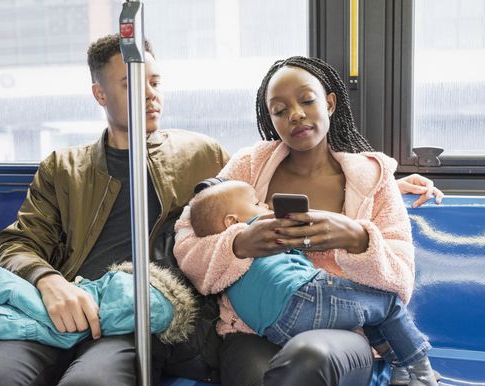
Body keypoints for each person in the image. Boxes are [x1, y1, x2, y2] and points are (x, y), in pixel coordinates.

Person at [0, 34, 229, 386]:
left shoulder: (202, 156)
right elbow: (17, 244)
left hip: (133, 318)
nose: (151, 94)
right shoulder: (63, 167)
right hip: (57, 309)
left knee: (91, 382)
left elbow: (234, 228)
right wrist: (50, 281)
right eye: (132, 83)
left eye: (155, 82)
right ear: (100, 94)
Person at [173, 56, 441, 386]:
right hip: (253, 329)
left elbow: (401, 280)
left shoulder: (373, 178)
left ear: (329, 103)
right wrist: (239, 244)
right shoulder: (248, 167)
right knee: (258, 375)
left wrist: (358, 239)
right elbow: (187, 237)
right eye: (280, 110)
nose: (295, 114)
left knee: (307, 359)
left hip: (341, 335)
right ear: (271, 119)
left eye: (306, 100)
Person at [188, 179, 436, 385]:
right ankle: (421, 372)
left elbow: (400, 275)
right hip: (304, 298)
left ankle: (399, 365)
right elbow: (187, 242)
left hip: (273, 327)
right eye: (256, 203)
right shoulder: (262, 226)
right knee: (388, 304)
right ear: (231, 222)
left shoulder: (230, 264)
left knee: (366, 311)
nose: (264, 205)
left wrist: (384, 191)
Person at [0, 261, 195, 349]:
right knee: (39, 319)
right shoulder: (158, 311)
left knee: (24, 319)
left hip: (120, 285)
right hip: (133, 300)